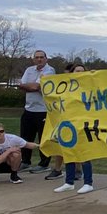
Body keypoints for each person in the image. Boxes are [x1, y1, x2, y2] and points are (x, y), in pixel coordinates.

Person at [54, 61, 95, 194]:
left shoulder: (89, 88)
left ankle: (88, 182)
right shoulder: (65, 87)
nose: (80, 73)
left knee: (84, 154)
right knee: (68, 153)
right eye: (77, 71)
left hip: (83, 124)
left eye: (82, 71)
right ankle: (69, 182)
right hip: (68, 124)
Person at [18, 49, 54, 172]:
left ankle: (44, 164)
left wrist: (29, 86)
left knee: (43, 138)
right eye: (37, 57)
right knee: (25, 137)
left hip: (43, 110)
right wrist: (30, 86)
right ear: (33, 59)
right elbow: (21, 85)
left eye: (41, 57)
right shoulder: (29, 70)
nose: (39, 59)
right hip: (29, 109)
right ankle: (25, 161)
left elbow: (36, 86)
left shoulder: (50, 70)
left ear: (46, 58)